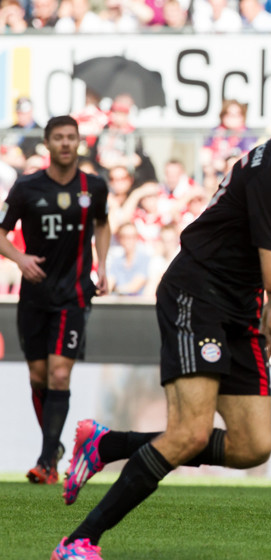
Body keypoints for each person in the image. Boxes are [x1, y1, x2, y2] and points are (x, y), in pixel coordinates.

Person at [51, 63, 271, 560]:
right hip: (197, 293)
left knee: (250, 446)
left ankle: (106, 445)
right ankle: (79, 541)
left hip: (240, 303)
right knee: (190, 432)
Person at [0, 115, 111, 484]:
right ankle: (53, 447)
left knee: (60, 373)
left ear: (79, 142)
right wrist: (19, 258)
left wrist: (104, 267)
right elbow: (1, 232)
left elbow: (103, 223)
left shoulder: (93, 186)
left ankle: (47, 461)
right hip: (34, 294)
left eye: (71, 137)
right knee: (39, 375)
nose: (65, 143)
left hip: (75, 293)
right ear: (47, 144)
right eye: (58, 138)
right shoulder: (27, 187)